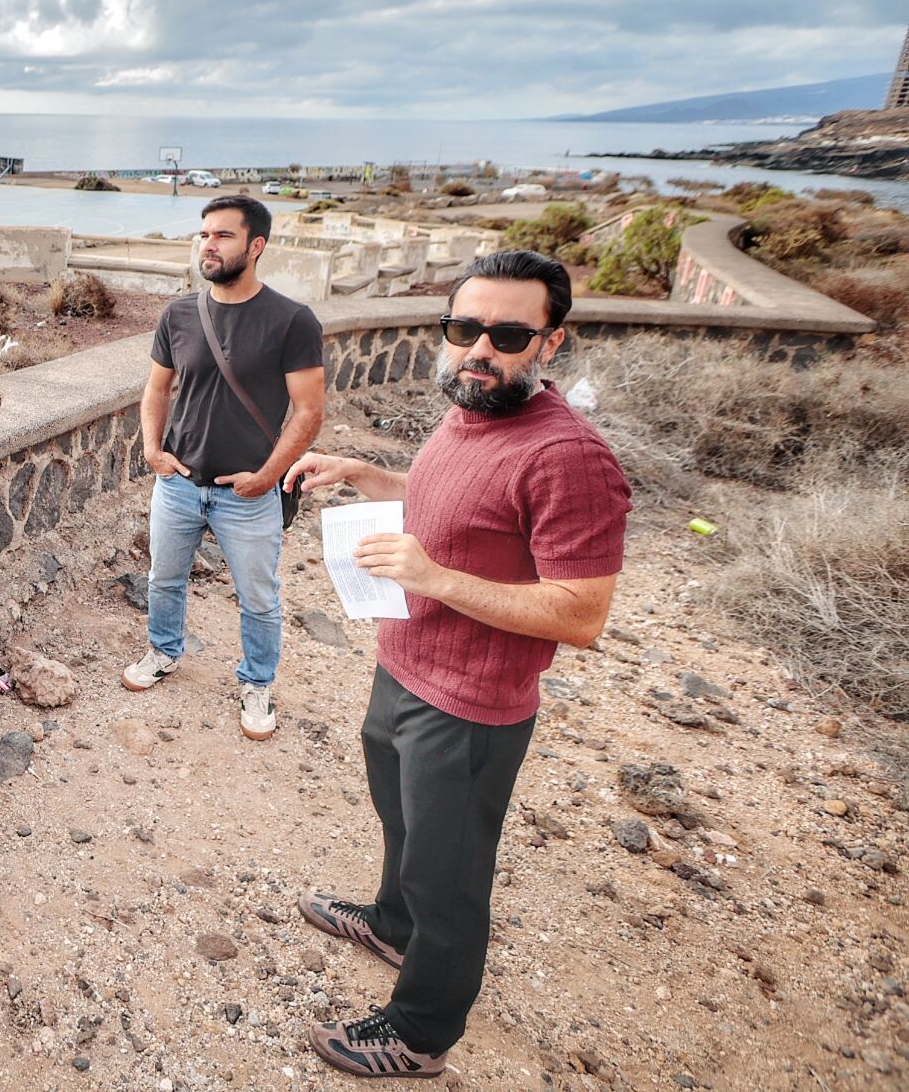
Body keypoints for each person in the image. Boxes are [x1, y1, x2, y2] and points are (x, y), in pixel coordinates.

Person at [283, 249, 630, 1079]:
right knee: (404, 828)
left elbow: (582, 613)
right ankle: (391, 924)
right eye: (464, 326)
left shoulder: (570, 457)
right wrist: (366, 474)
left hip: (472, 704)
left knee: (450, 876)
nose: (479, 347)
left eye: (507, 333)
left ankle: (421, 1030)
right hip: (404, 664)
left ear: (549, 342)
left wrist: (436, 577)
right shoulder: (471, 408)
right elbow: (454, 499)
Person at [121, 194, 325, 742]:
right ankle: (164, 651)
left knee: (258, 598)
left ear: (256, 246)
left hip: (249, 493)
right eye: (204, 234)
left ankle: (257, 682)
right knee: (164, 579)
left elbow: (309, 411)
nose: (208, 245)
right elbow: (156, 388)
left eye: (223, 235)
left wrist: (267, 477)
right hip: (179, 483)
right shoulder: (179, 314)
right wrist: (152, 449)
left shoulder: (292, 321)